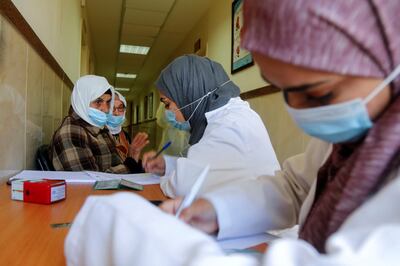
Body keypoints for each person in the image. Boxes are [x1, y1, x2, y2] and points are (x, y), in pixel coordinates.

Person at [65, 1, 400, 265]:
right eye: (284, 90)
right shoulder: (356, 130)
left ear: (385, 54)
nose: (301, 112)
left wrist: (149, 246)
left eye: (317, 93)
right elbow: (295, 186)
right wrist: (218, 211)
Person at [141, 54, 280, 198]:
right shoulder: (228, 115)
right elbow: (209, 167)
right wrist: (167, 165)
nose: (168, 111)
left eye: (167, 103)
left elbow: (183, 186)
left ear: (188, 93)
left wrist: (164, 180)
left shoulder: (228, 125)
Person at [50, 75, 144, 173]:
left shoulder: (98, 127)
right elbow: (90, 181)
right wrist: (130, 165)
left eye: (108, 102)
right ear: (83, 101)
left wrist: (133, 158)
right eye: (98, 101)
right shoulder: (71, 132)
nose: (105, 109)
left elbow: (115, 164)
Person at [107, 91, 149, 162]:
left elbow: (130, 159)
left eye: (120, 108)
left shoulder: (125, 136)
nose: (116, 113)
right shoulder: (98, 135)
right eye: (112, 108)